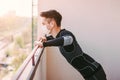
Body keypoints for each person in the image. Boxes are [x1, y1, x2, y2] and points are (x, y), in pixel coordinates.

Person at [34, 10, 107, 80]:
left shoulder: (66, 34)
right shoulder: (59, 35)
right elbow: (56, 38)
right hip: (89, 73)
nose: (42, 26)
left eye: (43, 24)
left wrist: (44, 44)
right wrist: (46, 38)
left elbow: (66, 39)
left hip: (94, 72)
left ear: (52, 24)